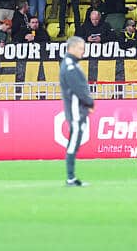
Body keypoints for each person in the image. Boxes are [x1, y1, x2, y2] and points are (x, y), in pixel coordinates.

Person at [60, 36, 94, 187]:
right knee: (74, 142)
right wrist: (89, 102)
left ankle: (71, 177)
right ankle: (70, 177)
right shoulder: (70, 66)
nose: (83, 51)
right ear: (72, 48)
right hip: (75, 110)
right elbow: (79, 88)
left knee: (74, 142)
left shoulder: (70, 63)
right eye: (80, 48)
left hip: (77, 109)